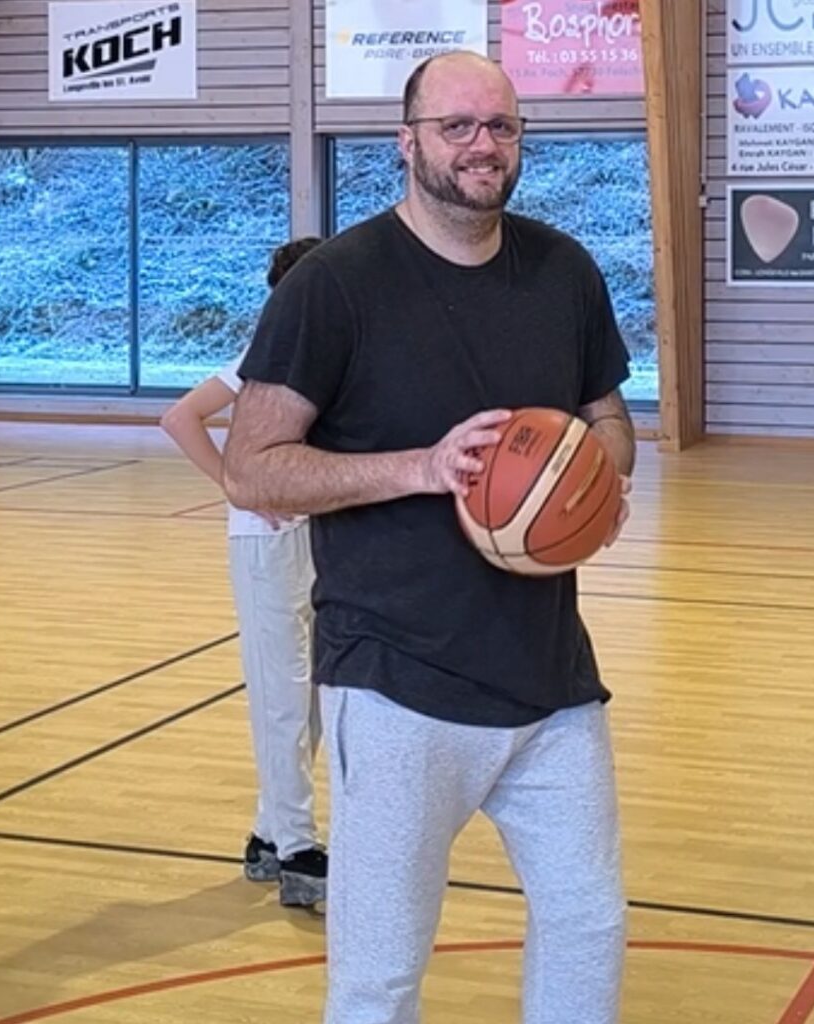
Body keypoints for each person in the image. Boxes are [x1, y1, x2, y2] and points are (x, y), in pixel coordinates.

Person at [223, 51, 636, 1024]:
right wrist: (419, 466)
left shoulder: (562, 270)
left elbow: (609, 417)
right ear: (405, 142)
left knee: (588, 922)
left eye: (500, 126)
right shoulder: (334, 285)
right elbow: (252, 465)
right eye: (457, 126)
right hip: (398, 678)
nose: (481, 145)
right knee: (380, 972)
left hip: (551, 680)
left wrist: (600, 473)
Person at [160, 236, 328, 908]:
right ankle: (298, 850)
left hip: (317, 538)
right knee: (283, 698)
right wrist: (236, 483)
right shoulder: (260, 358)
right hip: (265, 545)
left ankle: (266, 834)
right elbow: (180, 417)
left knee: (313, 702)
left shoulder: (325, 361)